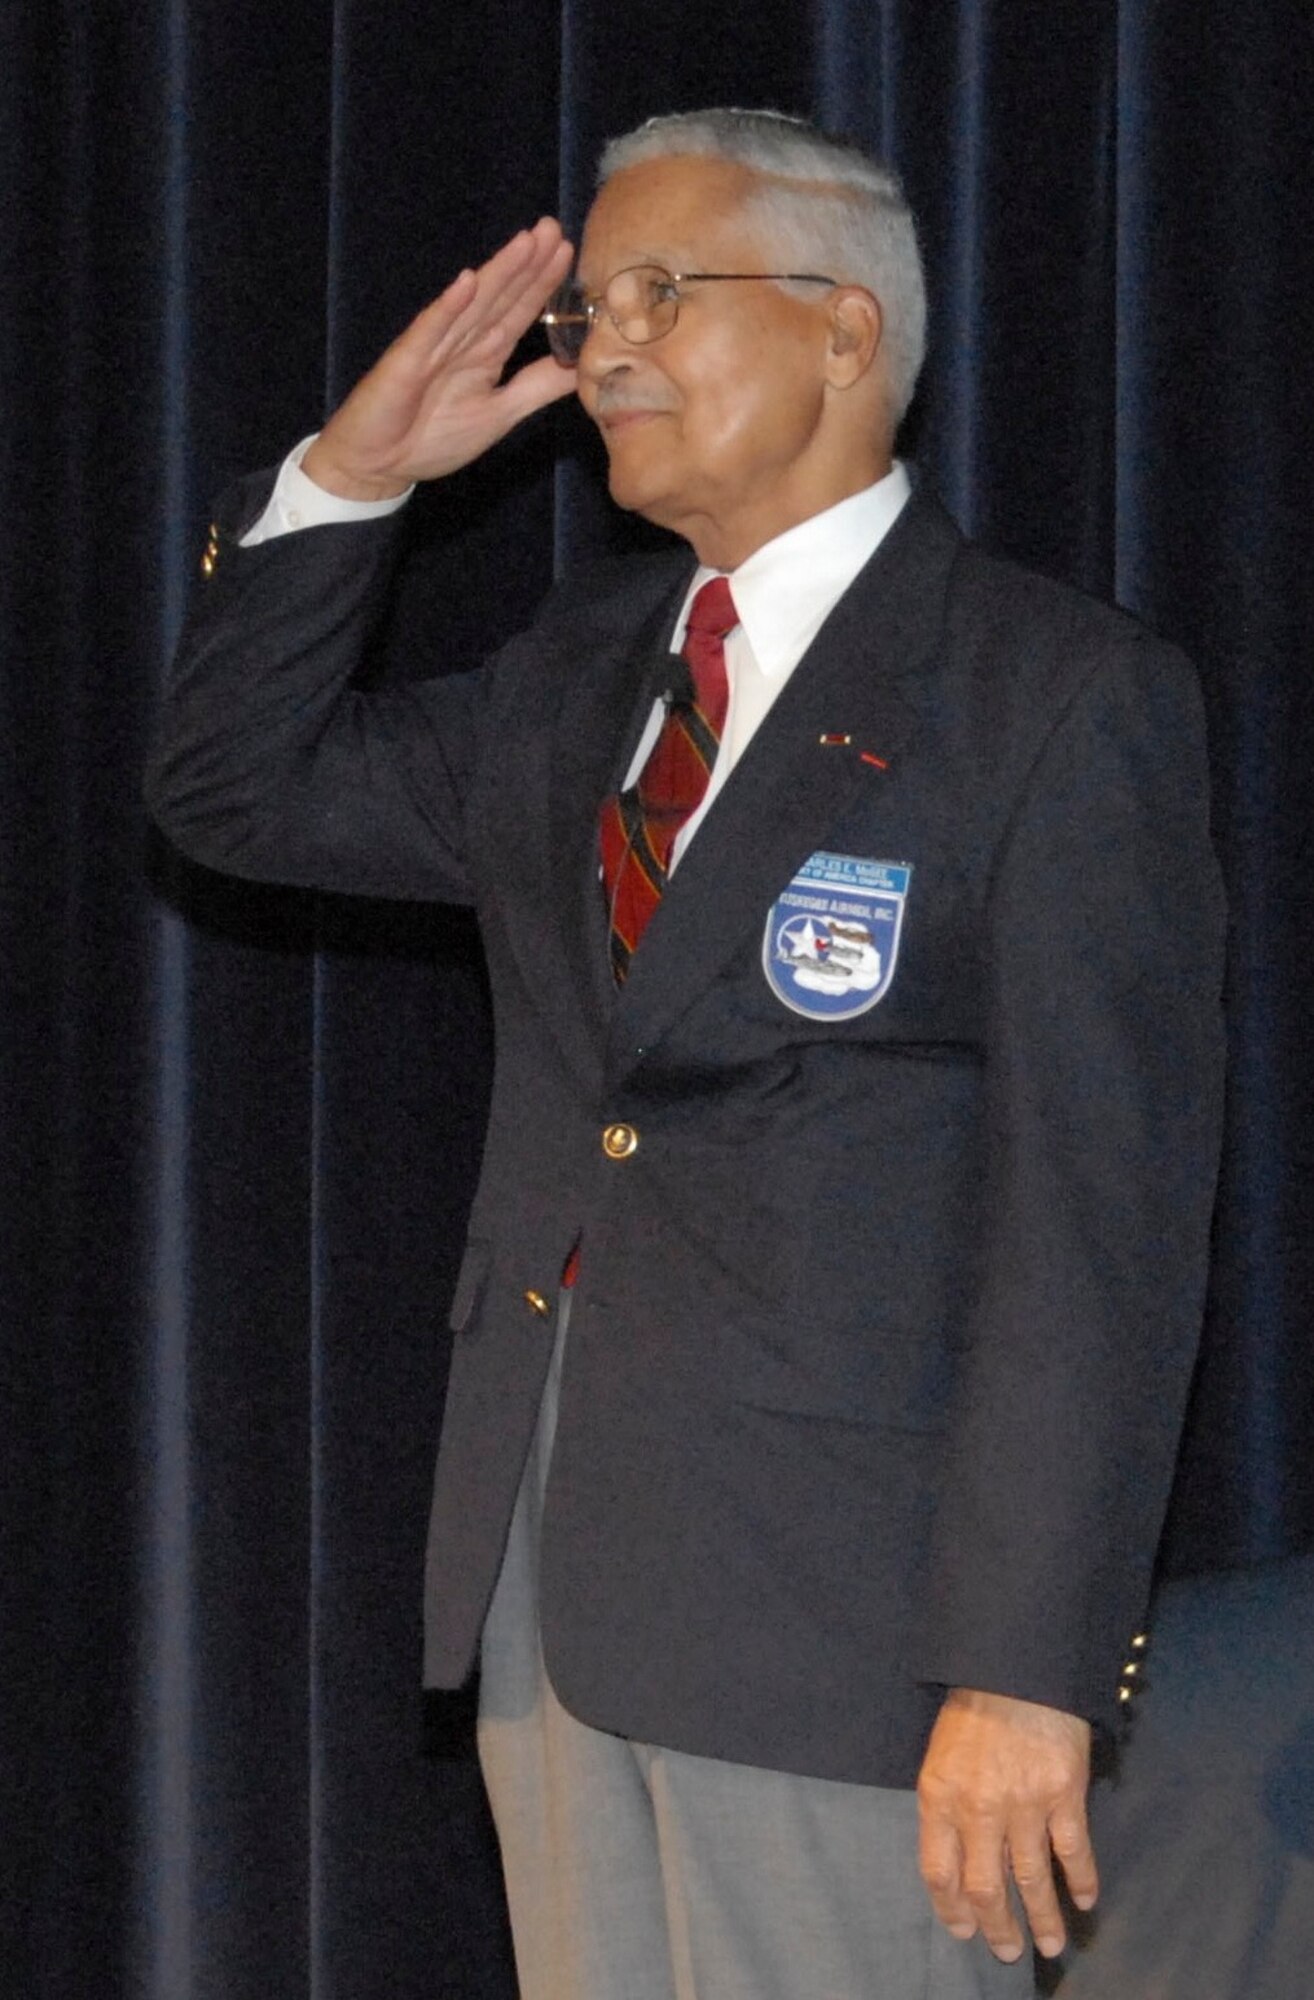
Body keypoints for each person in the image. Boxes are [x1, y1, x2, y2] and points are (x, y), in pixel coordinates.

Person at [147, 108, 1226, 2000]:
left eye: (658, 290)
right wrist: (345, 481)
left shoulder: (1048, 694)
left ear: (842, 332)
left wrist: (1025, 1667)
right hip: (560, 1589)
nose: (602, 349)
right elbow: (234, 792)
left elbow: (1100, 1223)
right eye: (587, 312)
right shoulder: (583, 681)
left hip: (856, 1635)